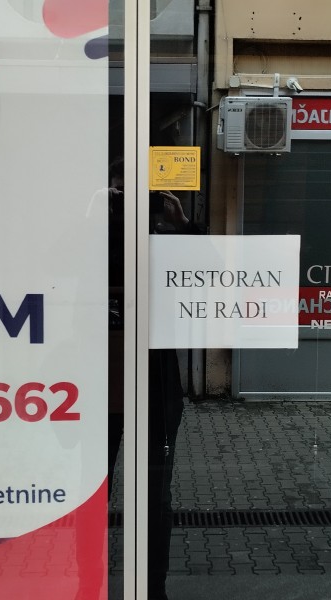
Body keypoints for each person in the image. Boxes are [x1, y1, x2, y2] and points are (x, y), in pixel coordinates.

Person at [106, 158, 204, 600]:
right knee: (91, 493)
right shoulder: (95, 234)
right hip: (102, 382)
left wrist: (182, 225)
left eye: (138, 195)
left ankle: (152, 588)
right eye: (121, 193)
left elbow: (211, 275)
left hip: (155, 381)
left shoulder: (163, 239)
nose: (129, 204)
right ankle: (85, 580)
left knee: (155, 495)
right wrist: (95, 214)